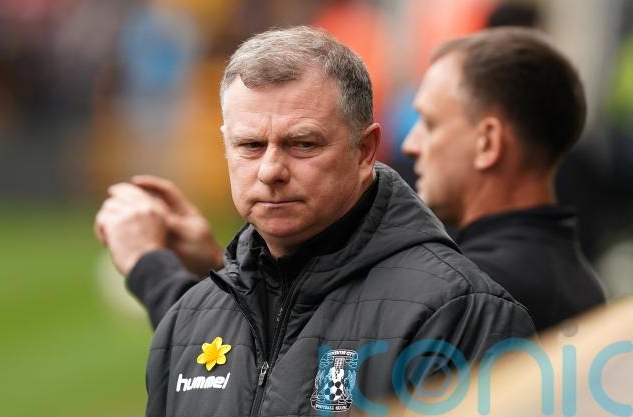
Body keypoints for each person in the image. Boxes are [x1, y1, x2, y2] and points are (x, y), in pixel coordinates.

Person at [95, 26, 534, 416]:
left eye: (302, 144)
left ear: (365, 151)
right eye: (250, 145)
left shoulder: (458, 310)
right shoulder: (187, 321)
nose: (271, 170)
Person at [400, 27, 605, 330]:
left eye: (429, 124)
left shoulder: (463, 290)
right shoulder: (587, 289)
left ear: (488, 143)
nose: (410, 145)